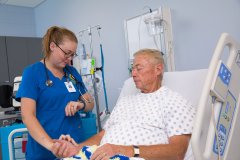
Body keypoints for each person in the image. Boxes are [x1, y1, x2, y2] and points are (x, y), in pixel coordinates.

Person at [52, 49, 195, 160]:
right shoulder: (125, 101)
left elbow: (177, 153)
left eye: (139, 68)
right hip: (100, 155)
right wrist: (76, 148)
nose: (133, 74)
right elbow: (102, 135)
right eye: (132, 69)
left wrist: (123, 150)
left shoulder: (173, 101)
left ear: (158, 69)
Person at [16, 26, 94, 160]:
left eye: (72, 55)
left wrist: (80, 104)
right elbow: (28, 116)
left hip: (74, 148)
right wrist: (53, 146)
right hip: (45, 151)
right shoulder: (32, 73)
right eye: (66, 53)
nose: (69, 59)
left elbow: (90, 103)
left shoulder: (72, 73)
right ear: (52, 46)